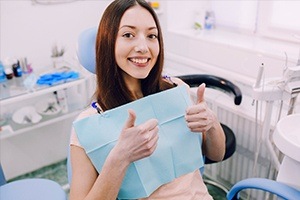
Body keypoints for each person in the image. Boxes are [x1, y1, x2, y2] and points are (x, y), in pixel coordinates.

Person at [69, 0, 225, 199]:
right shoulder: (88, 125)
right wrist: (120, 158)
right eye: (128, 35)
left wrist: (211, 123)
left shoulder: (177, 90)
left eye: (152, 36)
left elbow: (217, 154)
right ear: (108, 43)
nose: (143, 47)